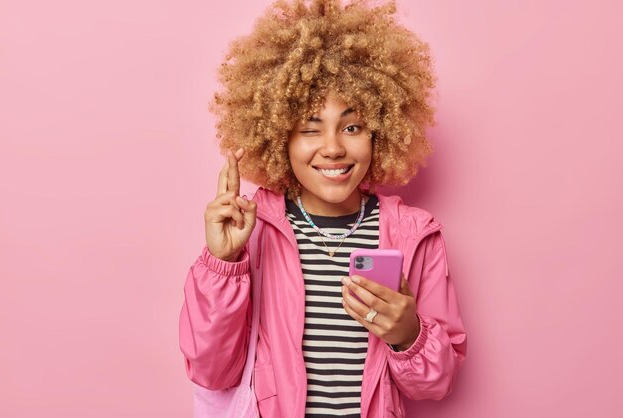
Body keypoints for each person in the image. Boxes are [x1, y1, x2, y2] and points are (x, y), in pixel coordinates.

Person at [179, 0, 467, 417]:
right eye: (310, 129)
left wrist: (409, 334)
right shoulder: (252, 228)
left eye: (352, 127)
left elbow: (436, 385)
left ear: (381, 131)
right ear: (279, 137)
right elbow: (210, 371)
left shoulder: (414, 234)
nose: (333, 148)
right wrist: (223, 263)